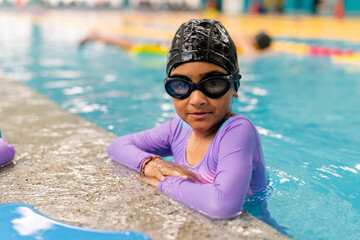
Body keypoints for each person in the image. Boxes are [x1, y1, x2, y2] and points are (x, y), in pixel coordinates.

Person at [107, 18, 267, 219]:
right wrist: (149, 164)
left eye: (213, 84)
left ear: (234, 85)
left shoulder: (238, 131)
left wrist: (164, 182)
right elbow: (117, 146)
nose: (197, 100)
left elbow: (223, 206)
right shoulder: (179, 129)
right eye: (181, 86)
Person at [79, 29, 272, 56]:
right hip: (174, 48)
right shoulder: (244, 42)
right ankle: (99, 36)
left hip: (179, 46)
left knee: (131, 45)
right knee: (131, 45)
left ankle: (100, 36)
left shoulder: (239, 39)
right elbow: (253, 56)